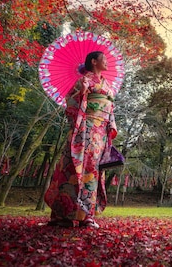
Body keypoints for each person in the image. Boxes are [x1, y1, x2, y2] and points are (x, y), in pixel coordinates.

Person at [45, 51, 117, 229]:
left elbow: (110, 109)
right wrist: (82, 93)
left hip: (100, 135)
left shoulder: (107, 85)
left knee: (93, 172)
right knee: (72, 170)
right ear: (94, 62)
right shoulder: (82, 81)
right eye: (103, 59)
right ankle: (63, 215)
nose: (106, 61)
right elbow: (70, 106)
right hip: (84, 131)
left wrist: (110, 126)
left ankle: (87, 216)